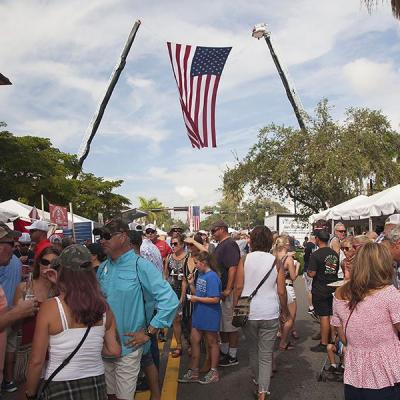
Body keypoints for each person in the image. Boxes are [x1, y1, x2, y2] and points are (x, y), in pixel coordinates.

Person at [24, 244, 121, 399]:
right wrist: (92, 346)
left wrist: (30, 393)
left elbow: (36, 361)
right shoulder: (104, 308)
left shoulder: (51, 307)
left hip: (60, 386)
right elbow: (115, 350)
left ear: (62, 272)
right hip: (95, 385)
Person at [96, 219, 178, 400]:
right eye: (100, 236)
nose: (102, 240)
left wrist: (149, 332)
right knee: (109, 396)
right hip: (103, 348)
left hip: (128, 348)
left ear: (123, 237)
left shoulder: (140, 266)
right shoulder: (103, 268)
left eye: (107, 236)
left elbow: (170, 300)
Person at [331, 242, 400, 399]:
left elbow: (342, 335)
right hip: (388, 371)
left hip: (355, 371)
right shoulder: (389, 294)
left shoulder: (340, 293)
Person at [236, 226, 290, 400]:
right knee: (266, 354)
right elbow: (281, 291)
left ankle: (258, 382)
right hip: (270, 311)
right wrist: (285, 311)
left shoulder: (244, 259)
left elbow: (238, 287)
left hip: (248, 311)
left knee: (253, 350)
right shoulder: (276, 262)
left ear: (251, 240)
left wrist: (235, 307)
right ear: (270, 241)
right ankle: (263, 392)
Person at [178, 251, 221, 385]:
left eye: (196, 263)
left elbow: (215, 299)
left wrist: (196, 298)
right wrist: (191, 285)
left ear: (204, 263)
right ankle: (194, 371)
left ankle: (214, 372)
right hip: (199, 313)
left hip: (210, 314)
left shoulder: (212, 277)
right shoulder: (202, 275)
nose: (195, 266)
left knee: (211, 342)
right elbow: (200, 294)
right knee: (194, 340)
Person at [210, 220, 241, 367]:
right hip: (221, 291)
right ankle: (225, 352)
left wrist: (228, 289)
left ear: (222, 229)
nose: (212, 234)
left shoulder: (229, 244)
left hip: (228, 292)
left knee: (231, 326)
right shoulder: (222, 244)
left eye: (214, 230)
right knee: (223, 326)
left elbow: (233, 268)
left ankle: (232, 356)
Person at [307, 229, 339, 352]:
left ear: (317, 239)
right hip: (333, 287)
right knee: (332, 315)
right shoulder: (334, 253)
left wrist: (310, 273)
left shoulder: (315, 255)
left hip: (320, 288)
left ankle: (324, 343)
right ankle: (333, 339)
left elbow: (312, 273)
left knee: (324, 316)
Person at [0, 232, 23, 394]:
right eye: (11, 242)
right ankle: (7, 380)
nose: (15, 246)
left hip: (12, 311)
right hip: (10, 312)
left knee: (8, 347)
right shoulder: (14, 262)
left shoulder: (11, 261)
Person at [164, 233, 188, 358]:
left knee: (187, 319)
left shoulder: (188, 258)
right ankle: (179, 345)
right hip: (172, 292)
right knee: (176, 320)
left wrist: (182, 297)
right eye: (171, 244)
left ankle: (190, 344)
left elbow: (185, 280)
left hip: (185, 292)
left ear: (182, 244)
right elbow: (165, 276)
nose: (172, 246)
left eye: (175, 244)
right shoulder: (169, 257)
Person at [271, 236, 297, 350]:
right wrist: (297, 267)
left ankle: (280, 333)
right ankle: (284, 341)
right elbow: (293, 277)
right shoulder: (289, 259)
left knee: (280, 314)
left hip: (274, 287)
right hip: (287, 287)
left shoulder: (273, 256)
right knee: (290, 317)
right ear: (286, 245)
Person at [303, 234, 317, 317]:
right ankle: (312, 306)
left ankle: (311, 306)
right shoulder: (313, 246)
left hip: (307, 269)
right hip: (312, 269)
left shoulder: (307, 245)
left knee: (309, 289)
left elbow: (305, 258)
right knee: (311, 288)